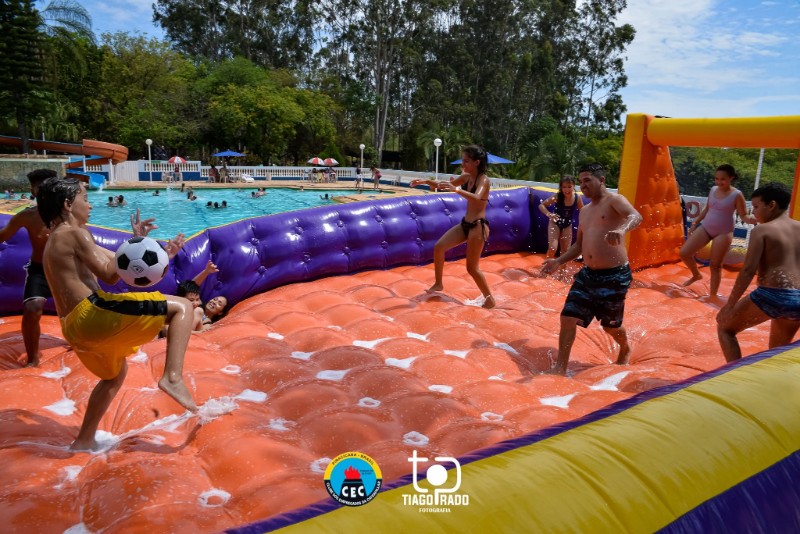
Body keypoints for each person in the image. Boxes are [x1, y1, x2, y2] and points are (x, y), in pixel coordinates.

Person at [36, 177, 198, 451]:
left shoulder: (58, 237)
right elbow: (112, 274)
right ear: (67, 204)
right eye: (85, 198)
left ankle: (84, 439)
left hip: (74, 328)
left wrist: (144, 245)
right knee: (183, 307)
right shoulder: (74, 233)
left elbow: (117, 260)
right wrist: (141, 248)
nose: (90, 205)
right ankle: (172, 377)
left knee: (114, 375)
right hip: (92, 313)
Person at [540, 163, 643, 375]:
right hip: (588, 274)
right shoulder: (585, 211)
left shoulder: (615, 200)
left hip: (615, 275)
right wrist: (558, 261)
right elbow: (579, 245)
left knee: (610, 326)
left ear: (602, 180)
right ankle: (560, 367)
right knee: (567, 316)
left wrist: (621, 229)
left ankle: (625, 347)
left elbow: (636, 216)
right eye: (581, 181)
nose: (583, 185)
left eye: (588, 180)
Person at [716, 182, 800, 362]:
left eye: (756, 206)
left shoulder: (762, 230)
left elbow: (747, 271)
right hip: (798, 300)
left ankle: (734, 377)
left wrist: (730, 305)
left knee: (724, 327)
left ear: (772, 205)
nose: (753, 211)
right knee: (775, 355)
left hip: (772, 296)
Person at [409, 145, 495, 309]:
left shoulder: (484, 180)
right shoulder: (466, 177)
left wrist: (456, 190)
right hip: (465, 224)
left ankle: (490, 299)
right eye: (463, 160)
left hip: (478, 227)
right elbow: (444, 185)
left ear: (477, 162)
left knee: (472, 268)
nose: (463, 164)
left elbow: (477, 198)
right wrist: (427, 181)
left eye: (466, 161)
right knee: (439, 246)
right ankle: (438, 283)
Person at [0, 169, 58, 366]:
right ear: (32, 191)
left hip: (65, 269)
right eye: (39, 187)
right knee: (32, 308)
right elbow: (4, 235)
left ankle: (80, 342)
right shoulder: (27, 216)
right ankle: (33, 358)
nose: (44, 191)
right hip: (39, 269)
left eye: (48, 185)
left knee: (76, 309)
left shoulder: (68, 214)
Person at [680, 164, 756, 296]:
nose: (719, 182)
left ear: (731, 178)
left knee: (715, 265)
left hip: (724, 232)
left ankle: (712, 295)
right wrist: (695, 222)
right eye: (716, 178)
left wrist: (754, 219)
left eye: (722, 179)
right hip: (706, 227)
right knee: (684, 252)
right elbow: (707, 209)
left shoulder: (737, 195)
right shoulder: (713, 189)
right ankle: (696, 275)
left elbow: (743, 215)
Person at [538, 175, 584, 259]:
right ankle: (545, 268)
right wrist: (549, 214)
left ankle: (562, 272)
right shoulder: (557, 196)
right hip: (555, 223)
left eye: (569, 187)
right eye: (564, 187)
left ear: (574, 186)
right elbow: (541, 205)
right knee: (553, 248)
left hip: (567, 225)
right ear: (561, 188)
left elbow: (583, 211)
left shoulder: (577, 198)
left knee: (566, 251)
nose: (567, 190)